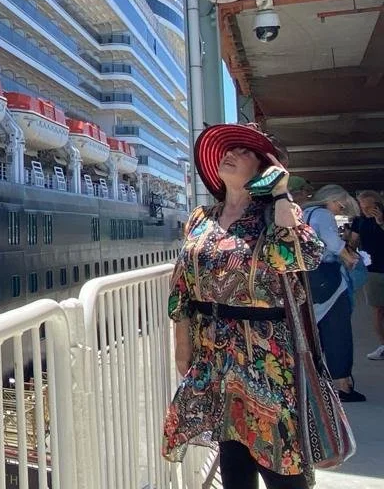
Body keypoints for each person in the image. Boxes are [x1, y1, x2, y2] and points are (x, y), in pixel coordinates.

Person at [163, 123, 325, 489]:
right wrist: (182, 341)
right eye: (227, 150)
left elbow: (300, 255)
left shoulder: (275, 216)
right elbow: (182, 287)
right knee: (233, 459)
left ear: (264, 167)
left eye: (244, 151)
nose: (230, 155)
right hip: (213, 353)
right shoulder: (200, 219)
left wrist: (281, 193)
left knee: (281, 460)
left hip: (265, 354)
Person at [302, 185, 364, 402]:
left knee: (310, 333)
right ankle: (342, 384)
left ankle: (310, 382)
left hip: (308, 279)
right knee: (339, 332)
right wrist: (350, 257)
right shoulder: (323, 214)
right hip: (330, 281)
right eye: (341, 204)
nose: (341, 209)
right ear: (332, 200)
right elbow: (333, 243)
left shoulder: (303, 212)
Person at [352, 190, 384, 359]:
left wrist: (380, 222)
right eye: (363, 207)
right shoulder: (359, 220)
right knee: (378, 310)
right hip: (372, 271)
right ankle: (383, 345)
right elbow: (353, 240)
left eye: (369, 207)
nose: (365, 210)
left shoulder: (381, 217)